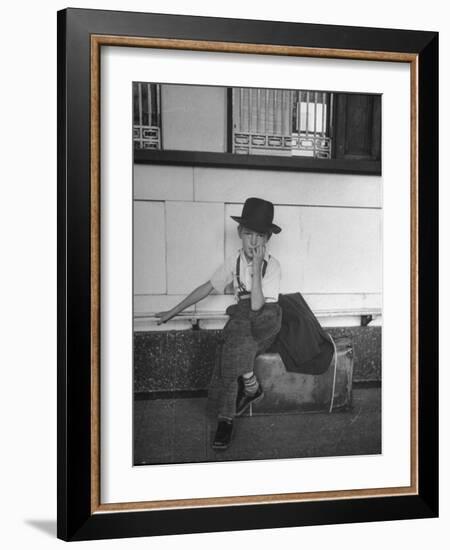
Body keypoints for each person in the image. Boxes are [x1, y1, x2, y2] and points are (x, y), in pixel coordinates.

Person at [155, 197, 282, 450]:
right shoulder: (233, 261)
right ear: (239, 233)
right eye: (248, 234)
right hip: (243, 322)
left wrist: (256, 268)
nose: (253, 242)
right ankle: (235, 407)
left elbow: (258, 306)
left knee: (240, 333)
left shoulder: (273, 266)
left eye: (259, 236)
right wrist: (173, 311)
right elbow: (206, 288)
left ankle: (245, 394)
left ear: (267, 238)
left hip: (267, 319)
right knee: (233, 343)